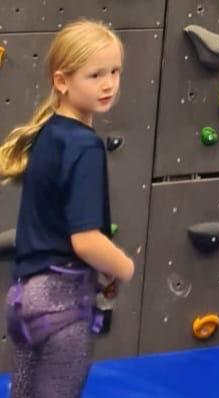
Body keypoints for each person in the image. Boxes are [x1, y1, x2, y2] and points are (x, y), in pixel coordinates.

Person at [0, 20, 134, 398]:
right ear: (62, 81)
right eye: (95, 75)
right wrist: (122, 267)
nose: (109, 84)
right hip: (61, 303)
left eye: (115, 72)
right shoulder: (84, 146)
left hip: (23, 300)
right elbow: (85, 241)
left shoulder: (48, 132)